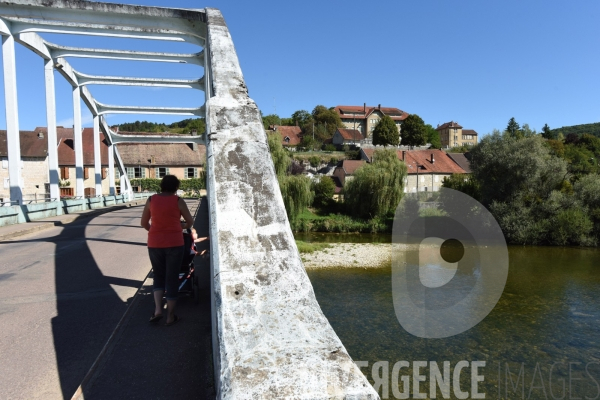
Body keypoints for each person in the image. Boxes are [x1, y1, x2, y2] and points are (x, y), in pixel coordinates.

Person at [140, 175, 194, 326]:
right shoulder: (178, 201)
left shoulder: (151, 200)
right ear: (176, 187)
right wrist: (180, 227)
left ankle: (158, 310)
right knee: (171, 278)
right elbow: (190, 222)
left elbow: (143, 222)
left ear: (161, 185)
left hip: (155, 243)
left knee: (158, 275)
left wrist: (154, 231)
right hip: (175, 243)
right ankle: (170, 316)